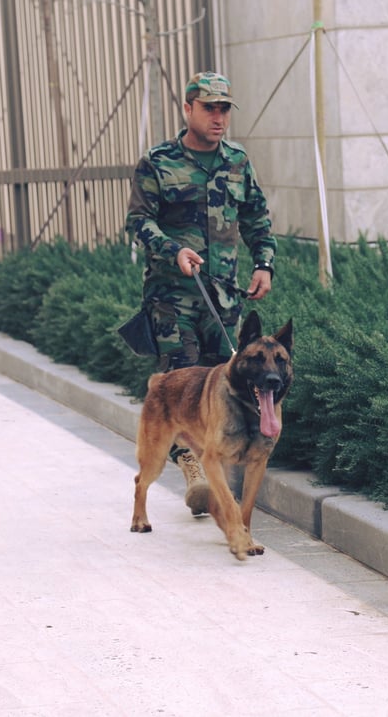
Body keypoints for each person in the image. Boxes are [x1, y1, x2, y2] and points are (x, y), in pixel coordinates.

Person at [124, 71, 277, 515]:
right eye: (209, 107)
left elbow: (256, 217)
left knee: (226, 388)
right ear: (188, 109)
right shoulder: (158, 162)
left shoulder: (236, 161)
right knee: (182, 384)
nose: (218, 116)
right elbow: (139, 221)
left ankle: (218, 471)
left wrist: (264, 263)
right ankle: (192, 469)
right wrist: (172, 250)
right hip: (173, 299)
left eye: (224, 108)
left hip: (225, 299)